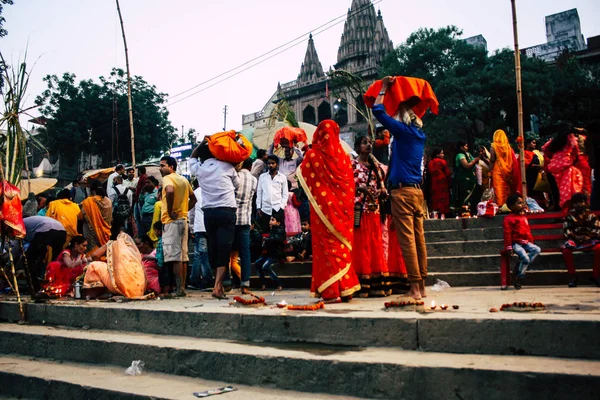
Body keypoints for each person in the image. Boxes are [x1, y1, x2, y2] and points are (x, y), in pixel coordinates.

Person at [374, 76, 428, 300]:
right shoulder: (420, 135)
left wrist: (385, 88)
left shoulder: (403, 132)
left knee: (408, 241)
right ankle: (422, 285)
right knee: (419, 239)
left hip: (403, 193)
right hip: (416, 193)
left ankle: (414, 287)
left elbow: (378, 111)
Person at [297, 119, 360, 302]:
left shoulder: (313, 156)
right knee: (340, 248)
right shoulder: (344, 157)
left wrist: (307, 153)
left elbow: (303, 176)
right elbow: (350, 187)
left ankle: (332, 292)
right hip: (343, 214)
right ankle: (345, 288)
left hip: (322, 213)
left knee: (326, 248)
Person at [189, 141, 238, 300]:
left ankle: (219, 286)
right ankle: (218, 287)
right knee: (224, 249)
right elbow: (236, 184)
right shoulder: (227, 167)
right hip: (226, 210)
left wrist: (202, 143)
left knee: (214, 249)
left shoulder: (200, 169)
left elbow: (192, 157)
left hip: (209, 213)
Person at [352, 135, 389, 297]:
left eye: (370, 143)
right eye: (364, 143)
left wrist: (382, 191)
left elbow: (382, 185)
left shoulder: (376, 166)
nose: (368, 145)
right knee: (362, 246)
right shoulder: (352, 165)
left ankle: (376, 284)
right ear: (358, 146)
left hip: (374, 210)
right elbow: (348, 186)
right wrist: (361, 189)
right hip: (359, 209)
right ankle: (362, 286)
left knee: (375, 244)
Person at [159, 156, 196, 296]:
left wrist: (170, 211)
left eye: (163, 165)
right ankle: (182, 288)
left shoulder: (168, 179)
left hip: (171, 221)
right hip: (183, 220)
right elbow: (194, 199)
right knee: (183, 257)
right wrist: (184, 210)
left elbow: (169, 191)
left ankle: (180, 289)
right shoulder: (184, 180)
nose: (160, 168)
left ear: (171, 167)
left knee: (175, 257)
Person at [82, 232, 147, 299]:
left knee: (93, 265)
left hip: (122, 287)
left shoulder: (112, 244)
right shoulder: (133, 249)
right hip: (139, 290)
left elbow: (95, 255)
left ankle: (95, 293)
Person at [562, 192, 600, 288]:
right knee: (566, 250)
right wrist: (576, 237)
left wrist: (589, 236)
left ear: (585, 203)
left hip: (589, 240)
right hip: (575, 240)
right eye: (575, 203)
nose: (578, 204)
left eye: (580, 202)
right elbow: (567, 231)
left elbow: (597, 229)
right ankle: (572, 276)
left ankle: (595, 275)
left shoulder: (592, 216)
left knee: (599, 248)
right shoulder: (569, 217)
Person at [542, 122, 583, 210]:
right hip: (565, 165)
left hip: (554, 165)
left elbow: (544, 148)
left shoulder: (555, 140)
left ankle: (558, 208)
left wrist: (552, 156)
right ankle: (566, 207)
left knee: (556, 190)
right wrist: (572, 158)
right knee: (567, 188)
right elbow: (575, 148)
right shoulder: (570, 138)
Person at [503, 194, 540, 289]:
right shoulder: (509, 219)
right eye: (519, 203)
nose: (522, 205)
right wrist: (509, 247)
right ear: (511, 206)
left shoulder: (523, 217)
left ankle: (519, 267)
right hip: (516, 243)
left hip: (525, 242)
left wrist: (531, 242)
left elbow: (528, 231)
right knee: (526, 258)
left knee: (537, 249)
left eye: (523, 203)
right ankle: (519, 277)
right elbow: (507, 234)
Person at [232, 158, 257, 293]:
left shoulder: (235, 176)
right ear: (251, 166)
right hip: (245, 219)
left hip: (231, 219)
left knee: (229, 254)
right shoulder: (254, 180)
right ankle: (245, 284)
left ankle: (228, 282)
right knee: (245, 253)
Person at [23, 216, 68, 291]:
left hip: (46, 230)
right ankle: (55, 285)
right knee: (56, 261)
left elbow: (17, 247)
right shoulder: (28, 221)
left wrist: (8, 265)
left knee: (28, 259)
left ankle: (34, 287)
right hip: (62, 231)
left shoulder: (18, 225)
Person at [189, 179, 213, 290]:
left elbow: (191, 213)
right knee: (203, 254)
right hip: (207, 226)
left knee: (199, 253)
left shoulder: (196, 193)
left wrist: (192, 228)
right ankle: (207, 280)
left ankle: (194, 279)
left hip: (199, 227)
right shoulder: (212, 191)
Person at [256, 155, 288, 233]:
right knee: (265, 232)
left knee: (278, 232)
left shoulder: (282, 177)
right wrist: (259, 207)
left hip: (278, 208)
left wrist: (281, 207)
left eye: (273, 163)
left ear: (277, 164)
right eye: (269, 163)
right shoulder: (262, 177)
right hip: (265, 209)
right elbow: (259, 192)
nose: (270, 165)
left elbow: (285, 194)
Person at [79, 182, 112, 253]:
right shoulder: (109, 201)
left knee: (92, 252)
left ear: (93, 191)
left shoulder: (88, 202)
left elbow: (80, 217)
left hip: (91, 232)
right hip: (105, 233)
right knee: (104, 252)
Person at [490, 130, 519, 207]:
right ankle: (507, 206)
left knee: (499, 188)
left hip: (498, 170)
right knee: (506, 189)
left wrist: (489, 171)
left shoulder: (494, 146)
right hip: (507, 171)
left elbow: (492, 160)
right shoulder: (508, 147)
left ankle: (500, 206)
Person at [255, 214, 285, 291]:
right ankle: (263, 282)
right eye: (270, 220)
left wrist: (267, 240)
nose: (270, 221)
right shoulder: (271, 230)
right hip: (269, 254)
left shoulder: (280, 230)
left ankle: (278, 283)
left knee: (265, 266)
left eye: (273, 220)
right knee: (257, 263)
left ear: (278, 223)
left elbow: (277, 239)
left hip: (276, 254)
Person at [454, 140, 480, 213]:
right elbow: (466, 166)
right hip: (463, 179)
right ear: (461, 147)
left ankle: (471, 211)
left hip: (471, 178)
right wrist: (474, 160)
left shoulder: (468, 154)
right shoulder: (460, 155)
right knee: (464, 195)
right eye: (465, 146)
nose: (467, 147)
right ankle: (463, 211)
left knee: (473, 195)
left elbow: (475, 162)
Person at [426, 148, 451, 219]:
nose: (443, 155)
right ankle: (443, 214)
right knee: (443, 198)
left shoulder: (430, 163)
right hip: (443, 183)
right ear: (437, 154)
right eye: (442, 153)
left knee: (435, 198)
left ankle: (435, 214)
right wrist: (450, 182)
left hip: (433, 183)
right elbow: (448, 173)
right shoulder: (443, 162)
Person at [133, 166, 148, 234]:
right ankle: (141, 234)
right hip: (138, 200)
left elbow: (143, 188)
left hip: (140, 200)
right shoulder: (141, 178)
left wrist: (141, 194)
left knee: (140, 218)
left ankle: (142, 235)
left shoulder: (143, 177)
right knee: (137, 217)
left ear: (139, 171)